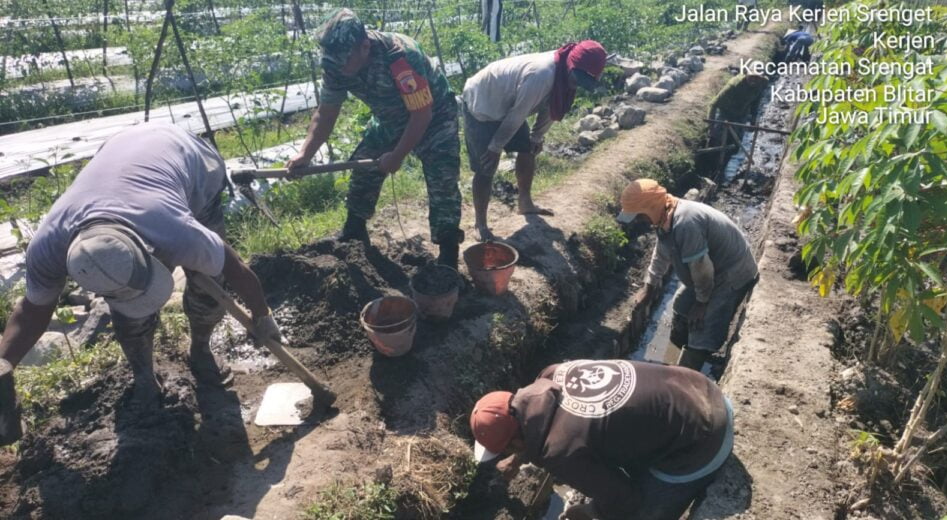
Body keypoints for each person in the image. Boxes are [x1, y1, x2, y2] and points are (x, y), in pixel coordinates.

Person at [0, 124, 281, 431]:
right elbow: (32, 311)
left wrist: (262, 315)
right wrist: (3, 364)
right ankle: (144, 377)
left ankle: (201, 348)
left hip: (193, 163)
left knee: (207, 285)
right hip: (120, 149)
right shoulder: (49, 246)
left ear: (148, 251)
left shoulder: (178, 231)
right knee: (129, 316)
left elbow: (235, 268)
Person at [285, 8, 463, 267]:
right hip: (390, 118)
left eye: (346, 60)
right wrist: (305, 153)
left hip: (435, 117)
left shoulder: (400, 57)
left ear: (365, 46)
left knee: (442, 180)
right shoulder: (336, 65)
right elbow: (326, 113)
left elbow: (422, 115)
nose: (341, 68)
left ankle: (448, 253)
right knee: (364, 163)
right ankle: (354, 230)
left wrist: (397, 156)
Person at [471, 359, 734, 520]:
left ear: (515, 440)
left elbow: (626, 501)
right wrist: (518, 460)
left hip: (705, 440)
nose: (507, 456)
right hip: (700, 388)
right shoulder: (552, 374)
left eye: (506, 451)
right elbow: (534, 426)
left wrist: (590, 512)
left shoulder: (559, 453)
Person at [461, 41, 607, 240]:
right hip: (483, 103)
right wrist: (495, 147)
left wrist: (537, 136)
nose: (577, 84)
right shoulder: (541, 75)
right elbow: (517, 115)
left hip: (510, 105)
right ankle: (480, 224)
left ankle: (525, 202)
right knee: (486, 165)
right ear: (571, 65)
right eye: (577, 78)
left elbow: (551, 106)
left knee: (528, 149)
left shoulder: (565, 76)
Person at [617, 179, 758, 371]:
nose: (640, 221)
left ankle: (689, 369)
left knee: (702, 328)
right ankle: (679, 348)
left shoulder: (685, 223)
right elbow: (662, 252)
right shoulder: (665, 215)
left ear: (650, 208)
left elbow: (702, 269)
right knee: (681, 305)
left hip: (731, 273)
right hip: (708, 273)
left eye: (640, 216)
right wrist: (649, 286)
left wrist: (702, 304)